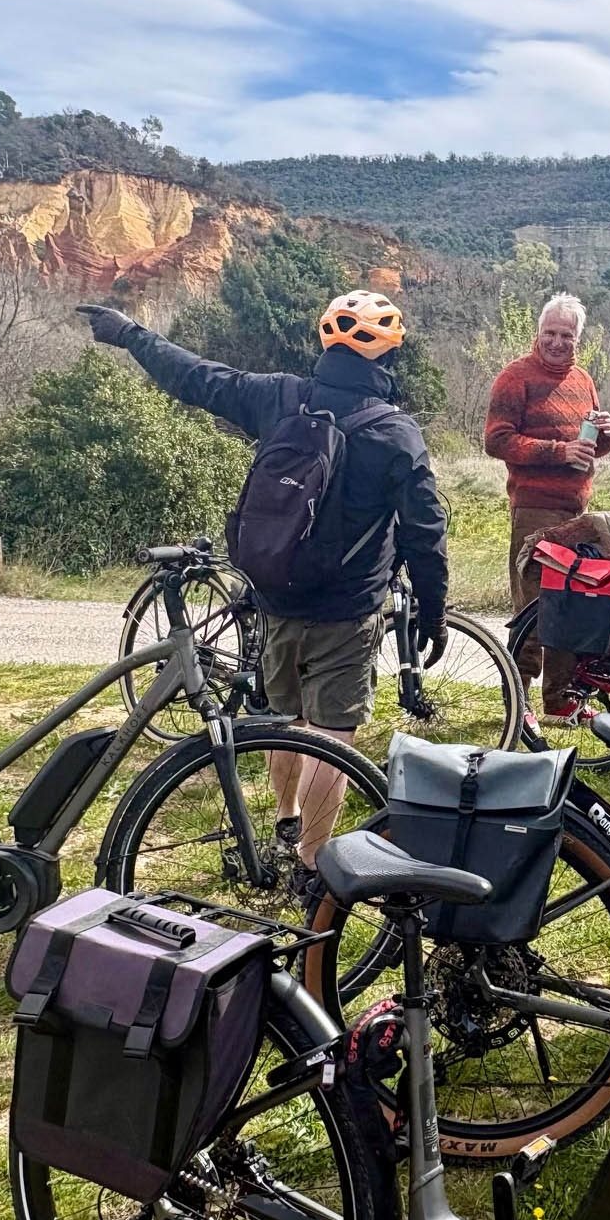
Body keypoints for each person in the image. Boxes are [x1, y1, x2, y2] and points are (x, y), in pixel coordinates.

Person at [77, 294, 448, 890]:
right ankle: (311, 863)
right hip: (348, 609)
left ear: (325, 343)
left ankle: (285, 819)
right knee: (334, 736)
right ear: (390, 352)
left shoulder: (279, 397)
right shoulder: (396, 431)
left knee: (285, 717)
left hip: (274, 594)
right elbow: (426, 532)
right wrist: (432, 611)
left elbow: (197, 377)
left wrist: (129, 334)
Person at [484, 292, 610, 724]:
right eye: (551, 333)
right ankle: (518, 702)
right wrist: (559, 451)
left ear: (578, 338)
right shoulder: (514, 377)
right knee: (535, 608)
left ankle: (559, 701)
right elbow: (497, 440)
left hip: (577, 512)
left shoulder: (584, 380)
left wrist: (607, 433)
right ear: (537, 333)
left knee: (569, 608)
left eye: (567, 335)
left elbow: (593, 446)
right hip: (535, 508)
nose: (558, 342)